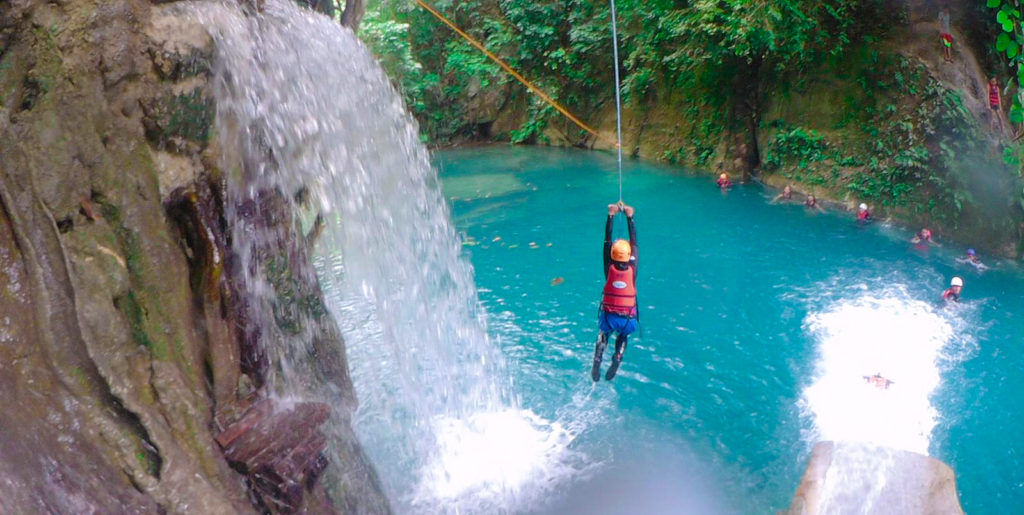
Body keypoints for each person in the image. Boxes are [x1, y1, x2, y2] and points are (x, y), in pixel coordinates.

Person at [592, 202, 638, 382]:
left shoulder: (608, 267)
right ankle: (617, 357)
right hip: (627, 319)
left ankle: (597, 359)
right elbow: (634, 243)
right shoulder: (633, 269)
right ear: (628, 256)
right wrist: (630, 217)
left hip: (609, 316)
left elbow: (606, 240)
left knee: (603, 334)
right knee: (623, 335)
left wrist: (611, 215)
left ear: (612, 254)